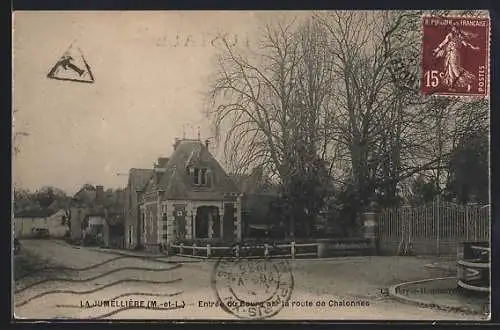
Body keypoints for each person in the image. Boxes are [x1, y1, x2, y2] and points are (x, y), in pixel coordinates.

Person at [432, 26, 480, 92]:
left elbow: (443, 43)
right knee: (450, 69)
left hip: (453, 53)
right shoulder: (457, 36)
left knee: (455, 69)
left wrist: (436, 50)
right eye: (453, 28)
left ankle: (468, 83)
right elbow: (444, 43)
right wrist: (474, 47)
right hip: (452, 53)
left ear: (456, 29)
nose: (454, 29)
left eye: (455, 28)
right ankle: (452, 86)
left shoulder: (454, 36)